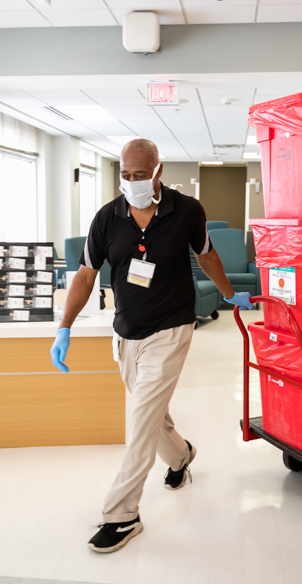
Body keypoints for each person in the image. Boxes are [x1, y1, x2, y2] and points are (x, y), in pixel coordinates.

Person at [50, 139, 253, 553]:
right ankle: (181, 455)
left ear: (158, 171)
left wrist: (230, 292)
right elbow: (87, 274)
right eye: (125, 176)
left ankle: (121, 515)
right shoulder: (108, 218)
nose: (132, 182)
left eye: (140, 175)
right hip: (126, 332)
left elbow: (208, 255)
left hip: (171, 328)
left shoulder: (187, 211)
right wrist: (64, 327)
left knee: (139, 419)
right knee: (151, 413)